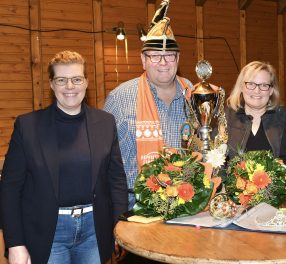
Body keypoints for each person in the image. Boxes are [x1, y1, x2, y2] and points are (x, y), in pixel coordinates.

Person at [0, 50, 128, 264]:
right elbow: (10, 188)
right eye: (62, 80)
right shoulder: (28, 126)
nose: (70, 86)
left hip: (94, 232)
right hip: (47, 233)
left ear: (86, 82)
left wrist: (120, 227)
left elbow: (116, 181)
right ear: (51, 84)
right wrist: (15, 243)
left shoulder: (106, 123)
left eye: (77, 79)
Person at [103, 0, 192, 209]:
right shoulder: (119, 98)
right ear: (143, 60)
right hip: (134, 206)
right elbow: (102, 157)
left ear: (178, 58)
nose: (163, 63)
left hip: (187, 204)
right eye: (155, 56)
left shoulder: (193, 94)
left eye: (169, 55)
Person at [225, 61, 286, 159]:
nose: (257, 91)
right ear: (241, 87)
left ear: (271, 90)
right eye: (251, 84)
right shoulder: (226, 118)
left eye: (264, 85)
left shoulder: (285, 119)